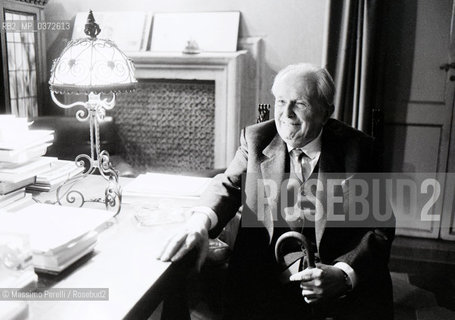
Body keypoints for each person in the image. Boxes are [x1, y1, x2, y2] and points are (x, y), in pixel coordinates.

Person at [158, 63, 395, 320]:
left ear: (326, 113)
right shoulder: (257, 138)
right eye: (281, 102)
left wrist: (343, 273)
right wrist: (199, 222)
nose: (286, 113)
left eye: (300, 104)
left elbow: (380, 229)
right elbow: (228, 184)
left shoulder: (359, 151)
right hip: (265, 277)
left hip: (333, 279)